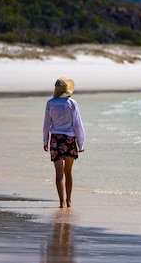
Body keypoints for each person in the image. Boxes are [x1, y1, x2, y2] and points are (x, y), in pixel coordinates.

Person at [43, 77, 85, 208]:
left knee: (58, 173)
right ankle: (69, 201)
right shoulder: (72, 103)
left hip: (55, 139)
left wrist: (45, 140)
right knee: (68, 172)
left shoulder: (50, 103)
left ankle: (61, 202)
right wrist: (81, 143)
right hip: (69, 139)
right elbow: (77, 125)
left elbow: (46, 124)